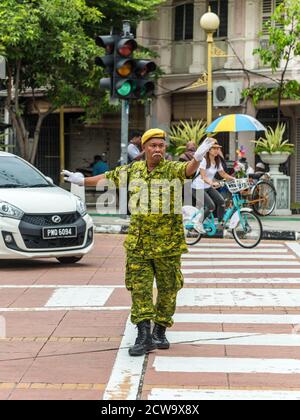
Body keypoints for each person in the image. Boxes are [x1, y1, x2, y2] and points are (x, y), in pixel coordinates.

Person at [62, 129, 215, 357]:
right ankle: (144, 334)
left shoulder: (172, 169)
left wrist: (197, 158)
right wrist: (81, 180)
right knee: (139, 289)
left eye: (161, 146)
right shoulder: (132, 170)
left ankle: (160, 330)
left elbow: (188, 170)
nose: (157, 150)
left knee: (168, 289)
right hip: (139, 244)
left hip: (168, 245)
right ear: (144, 148)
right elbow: (107, 178)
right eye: (153, 145)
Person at [192, 141, 235, 225]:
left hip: (207, 187)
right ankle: (198, 223)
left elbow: (222, 173)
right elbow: (203, 176)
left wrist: (234, 178)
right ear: (209, 150)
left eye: (218, 148)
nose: (216, 150)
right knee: (211, 206)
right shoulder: (204, 160)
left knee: (221, 202)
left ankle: (220, 223)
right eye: (214, 148)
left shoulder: (217, 161)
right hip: (198, 188)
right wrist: (212, 183)